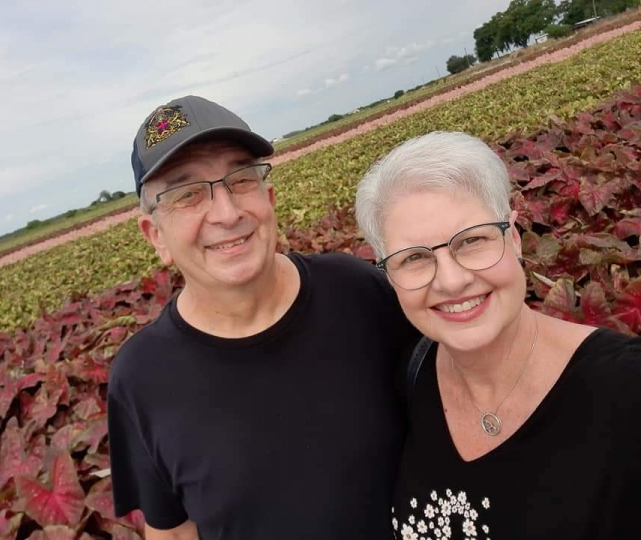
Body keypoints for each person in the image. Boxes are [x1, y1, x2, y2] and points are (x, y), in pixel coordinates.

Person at [106, 95, 419, 540]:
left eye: (240, 179)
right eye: (187, 194)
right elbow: (173, 532)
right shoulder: (140, 377)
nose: (227, 213)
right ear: (155, 233)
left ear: (268, 196)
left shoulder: (360, 291)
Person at [354, 131, 641, 539]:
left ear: (514, 238)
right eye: (414, 258)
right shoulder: (411, 382)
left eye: (472, 241)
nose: (451, 282)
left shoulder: (627, 392)